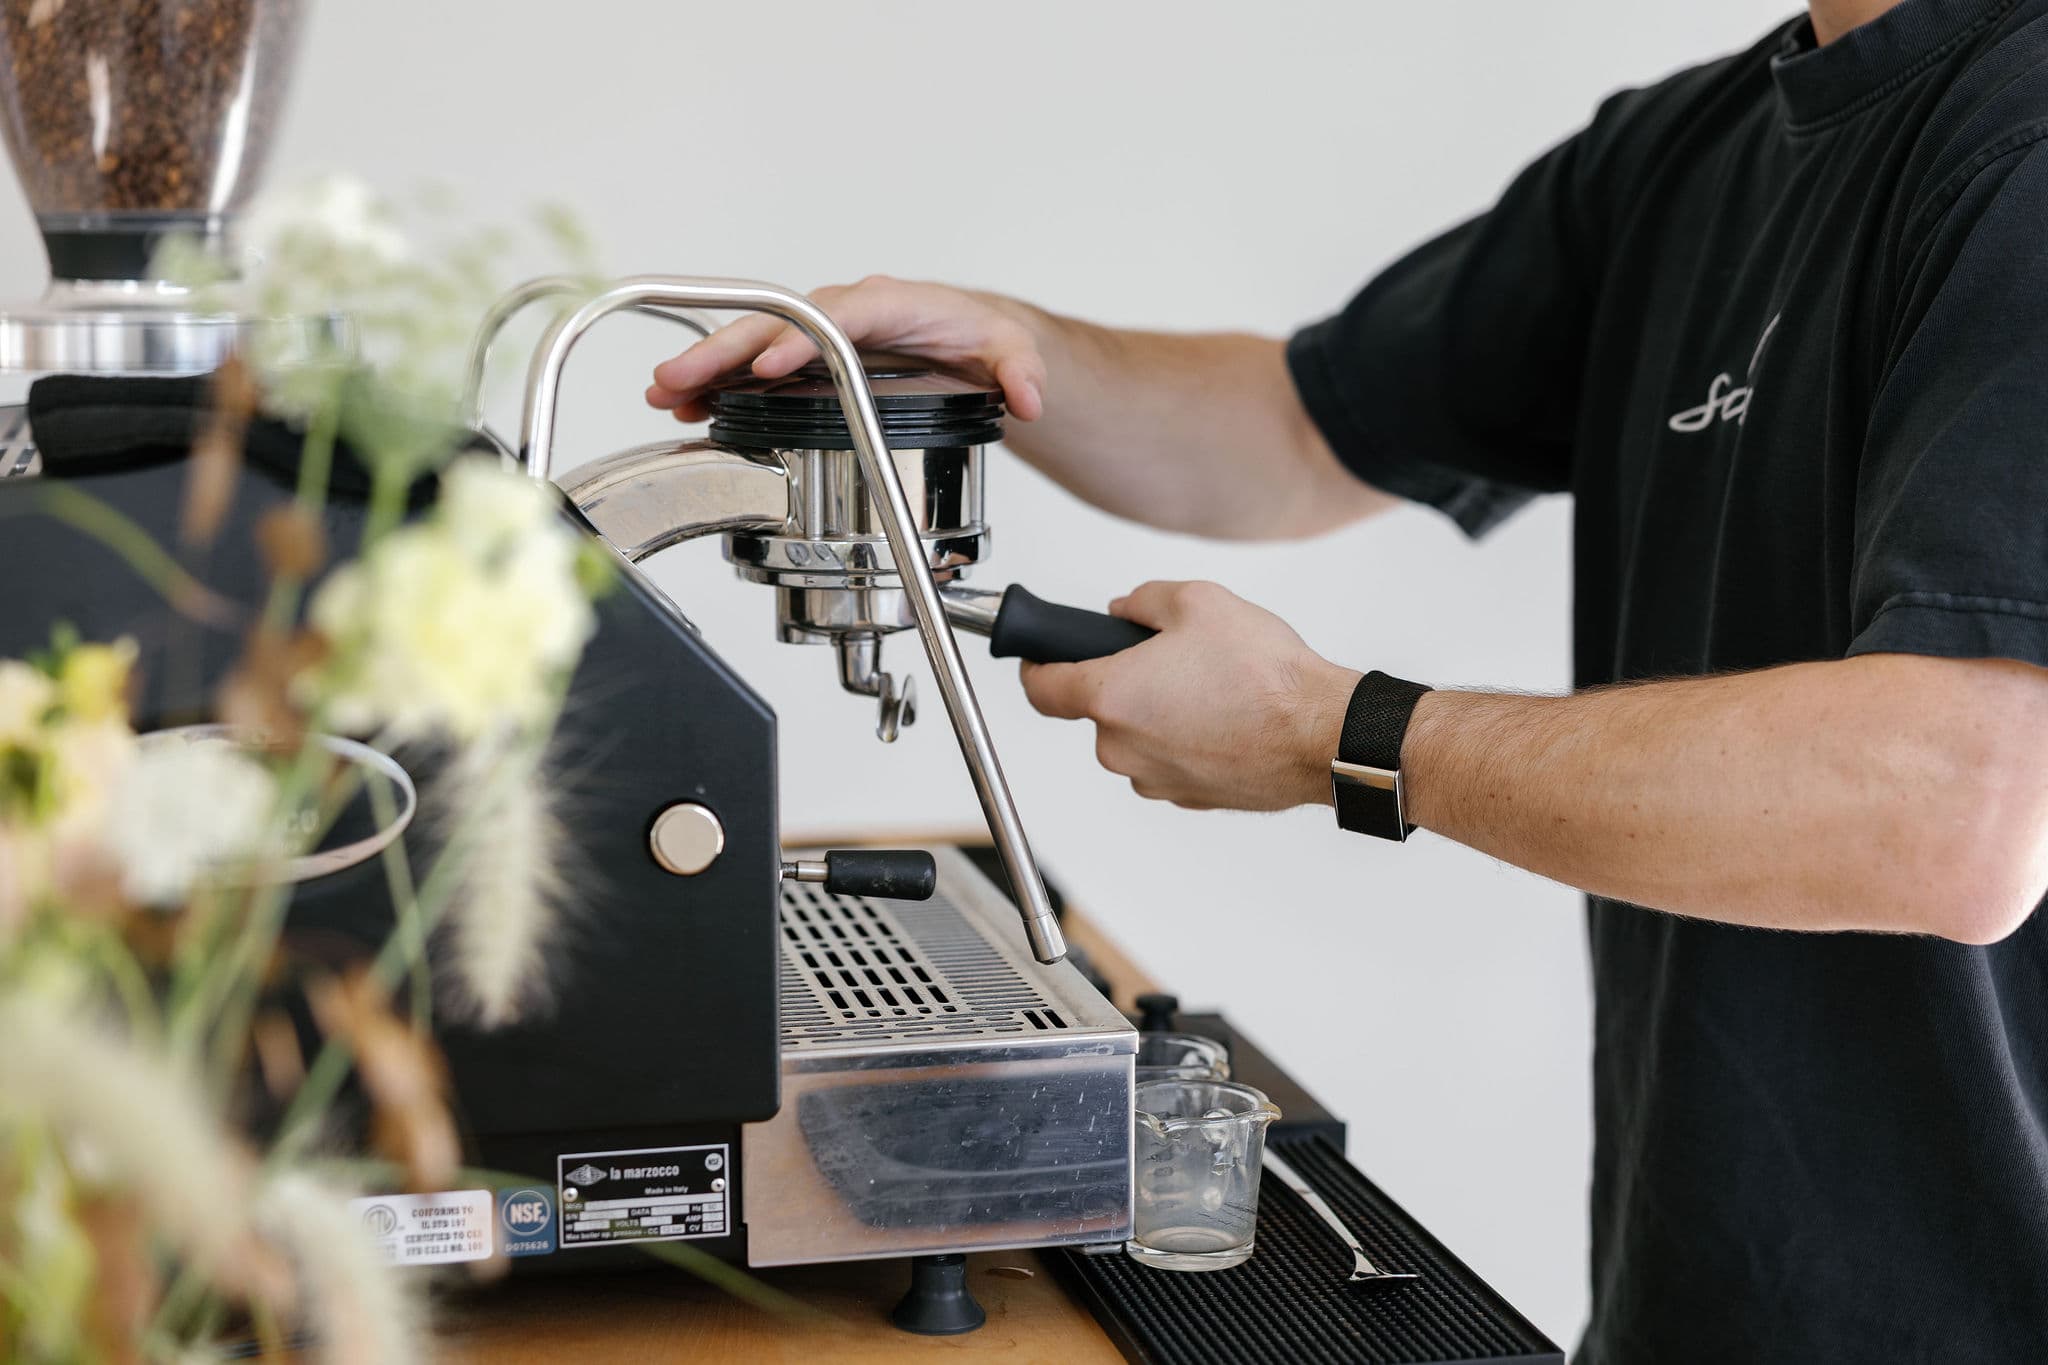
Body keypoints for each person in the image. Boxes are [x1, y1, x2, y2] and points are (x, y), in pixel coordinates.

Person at [648, 0, 2048, 1359]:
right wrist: (1008, 353)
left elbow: (1951, 803)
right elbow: (1295, 428)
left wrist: (1341, 734)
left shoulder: (2019, 141)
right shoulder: (1691, 154)